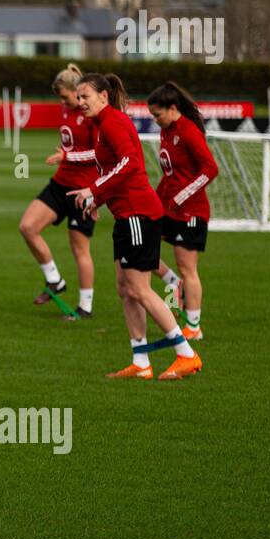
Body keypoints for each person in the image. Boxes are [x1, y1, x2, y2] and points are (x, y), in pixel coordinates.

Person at [67, 74, 202, 381]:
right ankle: (141, 361)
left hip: (138, 214)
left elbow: (129, 163)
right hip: (126, 215)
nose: (80, 102)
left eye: (85, 96)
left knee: (140, 289)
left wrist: (94, 189)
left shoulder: (113, 122)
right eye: (78, 97)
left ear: (103, 96)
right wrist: (97, 199)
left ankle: (186, 354)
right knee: (125, 290)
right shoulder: (102, 125)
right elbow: (118, 168)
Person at [17, 63, 97, 318]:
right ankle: (55, 280)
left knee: (79, 247)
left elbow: (100, 153)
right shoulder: (65, 110)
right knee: (27, 226)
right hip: (60, 183)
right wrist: (67, 157)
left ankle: (85, 307)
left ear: (78, 92)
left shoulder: (93, 116)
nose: (62, 101)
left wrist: (67, 156)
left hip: (82, 189)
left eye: (64, 96)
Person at [148, 82, 218, 342]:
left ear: (173, 108)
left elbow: (211, 169)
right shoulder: (167, 132)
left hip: (191, 212)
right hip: (170, 209)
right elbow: (170, 174)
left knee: (188, 267)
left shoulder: (188, 131)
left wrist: (182, 195)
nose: (156, 121)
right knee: (143, 248)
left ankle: (194, 326)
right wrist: (154, 199)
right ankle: (172, 282)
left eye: (158, 115)